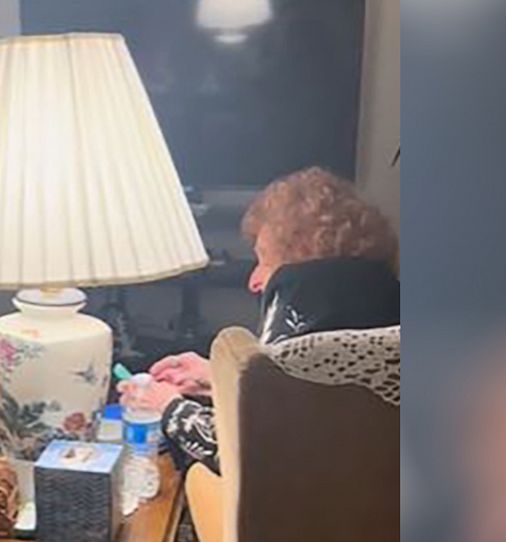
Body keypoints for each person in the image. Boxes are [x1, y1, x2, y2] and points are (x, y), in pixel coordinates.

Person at [118, 167, 400, 471]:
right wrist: (218, 378)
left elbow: (254, 453)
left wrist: (167, 406)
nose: (254, 282)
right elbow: (310, 408)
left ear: (303, 264)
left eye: (265, 261)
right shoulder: (382, 310)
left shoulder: (307, 312)